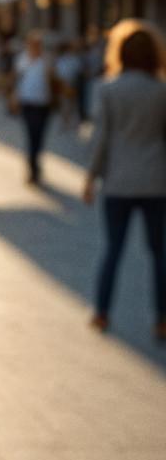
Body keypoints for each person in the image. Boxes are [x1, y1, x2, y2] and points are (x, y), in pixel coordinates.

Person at [82, 19, 166, 341]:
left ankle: (102, 312)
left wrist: (90, 176)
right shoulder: (161, 90)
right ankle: (161, 318)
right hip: (156, 180)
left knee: (113, 248)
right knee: (158, 253)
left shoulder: (108, 89)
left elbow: (101, 138)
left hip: (118, 180)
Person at [13, 29, 57, 186]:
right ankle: (32, 169)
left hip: (43, 104)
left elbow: (53, 79)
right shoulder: (22, 60)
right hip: (28, 103)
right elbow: (17, 80)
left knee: (39, 137)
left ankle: (36, 164)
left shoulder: (47, 60)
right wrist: (15, 98)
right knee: (31, 136)